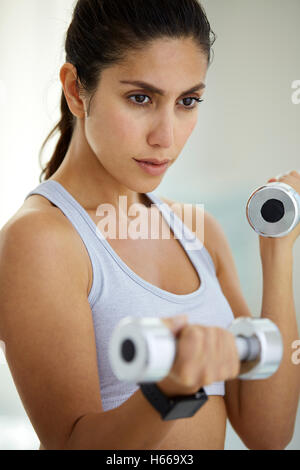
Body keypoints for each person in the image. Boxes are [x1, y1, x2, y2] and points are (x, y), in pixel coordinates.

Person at [0, 0, 299, 451]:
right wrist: (169, 390)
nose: (167, 136)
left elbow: (267, 434)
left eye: (187, 102)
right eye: (141, 98)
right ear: (77, 91)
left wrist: (277, 251)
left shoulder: (199, 231)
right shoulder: (40, 241)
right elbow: (71, 444)